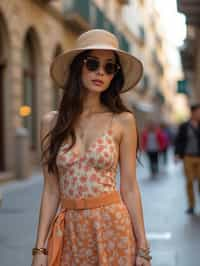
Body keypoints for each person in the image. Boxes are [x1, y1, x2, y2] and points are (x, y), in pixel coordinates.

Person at [31, 29, 152, 266]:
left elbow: (129, 187)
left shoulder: (123, 121)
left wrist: (143, 248)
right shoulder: (51, 123)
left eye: (109, 67)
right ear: (78, 67)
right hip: (69, 231)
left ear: (114, 76)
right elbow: (51, 191)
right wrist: (39, 249)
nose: (100, 72)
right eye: (93, 63)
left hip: (112, 226)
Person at [174, 103, 200, 215]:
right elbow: (179, 140)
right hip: (188, 157)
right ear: (193, 113)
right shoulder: (184, 126)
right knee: (189, 181)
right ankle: (191, 205)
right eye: (198, 111)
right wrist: (177, 154)